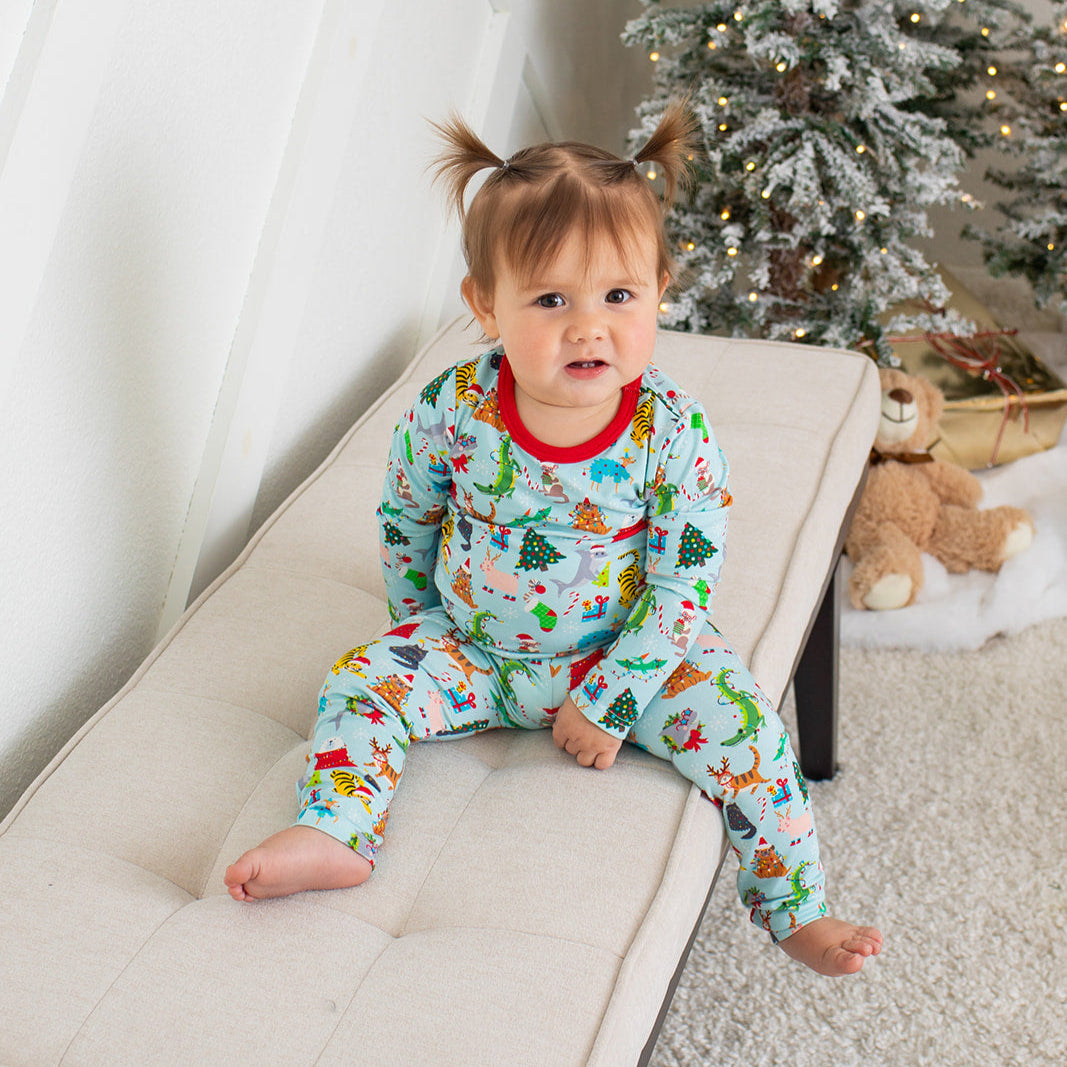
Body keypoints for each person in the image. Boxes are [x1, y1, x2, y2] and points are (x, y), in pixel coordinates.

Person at [225, 102, 882, 977]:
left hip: (628, 652)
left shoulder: (671, 432)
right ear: (485, 304)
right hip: (473, 649)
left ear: (658, 289)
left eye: (618, 295)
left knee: (750, 733)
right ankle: (336, 829)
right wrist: (414, 627)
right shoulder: (453, 407)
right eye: (548, 299)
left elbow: (682, 584)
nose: (587, 325)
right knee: (357, 680)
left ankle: (795, 907)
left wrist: (611, 696)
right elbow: (407, 516)